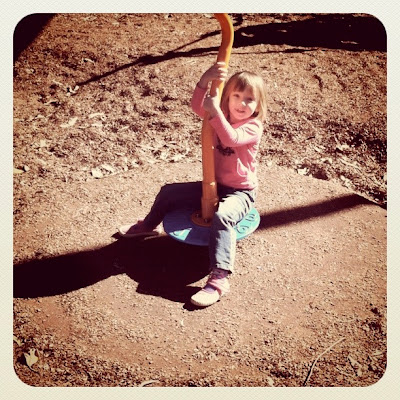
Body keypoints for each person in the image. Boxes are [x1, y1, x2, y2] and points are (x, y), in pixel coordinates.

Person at [118, 62, 268, 307]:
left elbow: (231, 138)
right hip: (213, 185)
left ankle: (220, 278)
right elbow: (198, 107)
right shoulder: (221, 116)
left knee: (223, 216)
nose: (242, 104)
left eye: (249, 99)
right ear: (227, 98)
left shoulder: (253, 127)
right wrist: (204, 81)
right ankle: (148, 225)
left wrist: (216, 112)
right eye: (236, 96)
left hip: (241, 192)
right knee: (169, 193)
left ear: (258, 105)